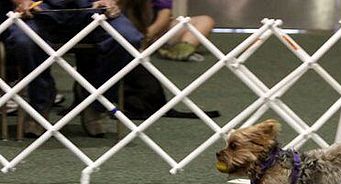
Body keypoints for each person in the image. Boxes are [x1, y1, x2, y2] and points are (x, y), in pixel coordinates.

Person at [7, 0, 142, 138]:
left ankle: (96, 100)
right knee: (22, 40)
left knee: (128, 38)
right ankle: (40, 101)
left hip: (94, 8)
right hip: (41, 10)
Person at [119, 0, 214, 61]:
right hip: (124, 28)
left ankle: (179, 51)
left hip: (154, 32)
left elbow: (165, 15)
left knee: (205, 21)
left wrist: (147, 35)